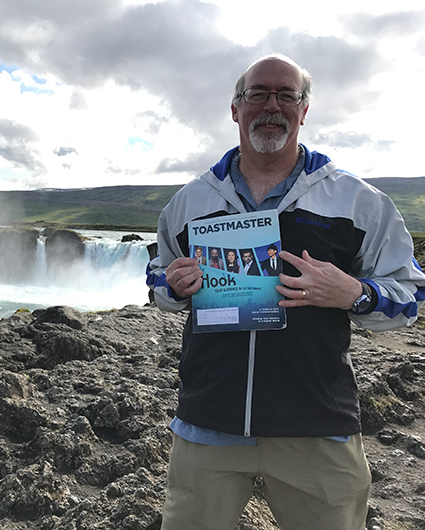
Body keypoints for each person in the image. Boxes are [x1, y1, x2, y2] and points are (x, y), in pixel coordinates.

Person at [146, 53, 425, 530]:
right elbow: (157, 279)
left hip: (316, 429)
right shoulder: (189, 201)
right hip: (207, 423)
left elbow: (411, 297)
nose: (271, 105)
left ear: (304, 109)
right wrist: (173, 286)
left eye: (286, 95)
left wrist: (353, 292)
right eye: (258, 93)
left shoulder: (358, 202)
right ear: (236, 108)